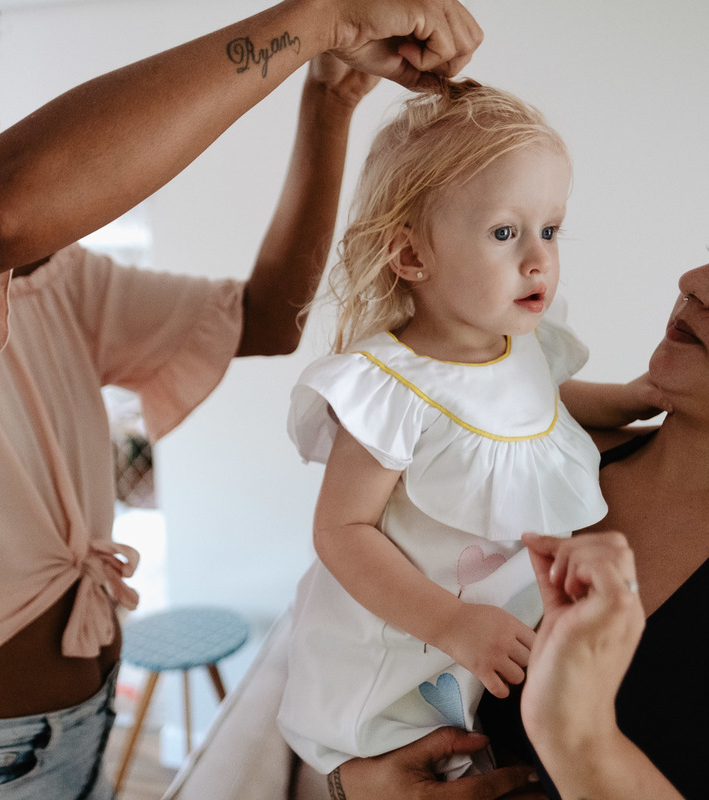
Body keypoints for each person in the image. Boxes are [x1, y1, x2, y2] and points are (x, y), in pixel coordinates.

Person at [0, 0, 483, 797]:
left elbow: (267, 318)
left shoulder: (53, 277)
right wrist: (316, 17)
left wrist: (328, 96)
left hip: (78, 737)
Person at [331, 144, 709, 799]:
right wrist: (352, 785)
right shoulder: (517, 451)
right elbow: (350, 653)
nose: (696, 279)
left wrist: (581, 739)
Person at [276, 81, 655, 780]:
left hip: (479, 638)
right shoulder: (391, 386)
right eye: (505, 233)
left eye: (550, 229)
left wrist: (628, 399)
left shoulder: (518, 340)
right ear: (413, 256)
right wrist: (449, 625)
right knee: (401, 749)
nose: (538, 257)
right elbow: (341, 531)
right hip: (402, 638)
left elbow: (540, 405)